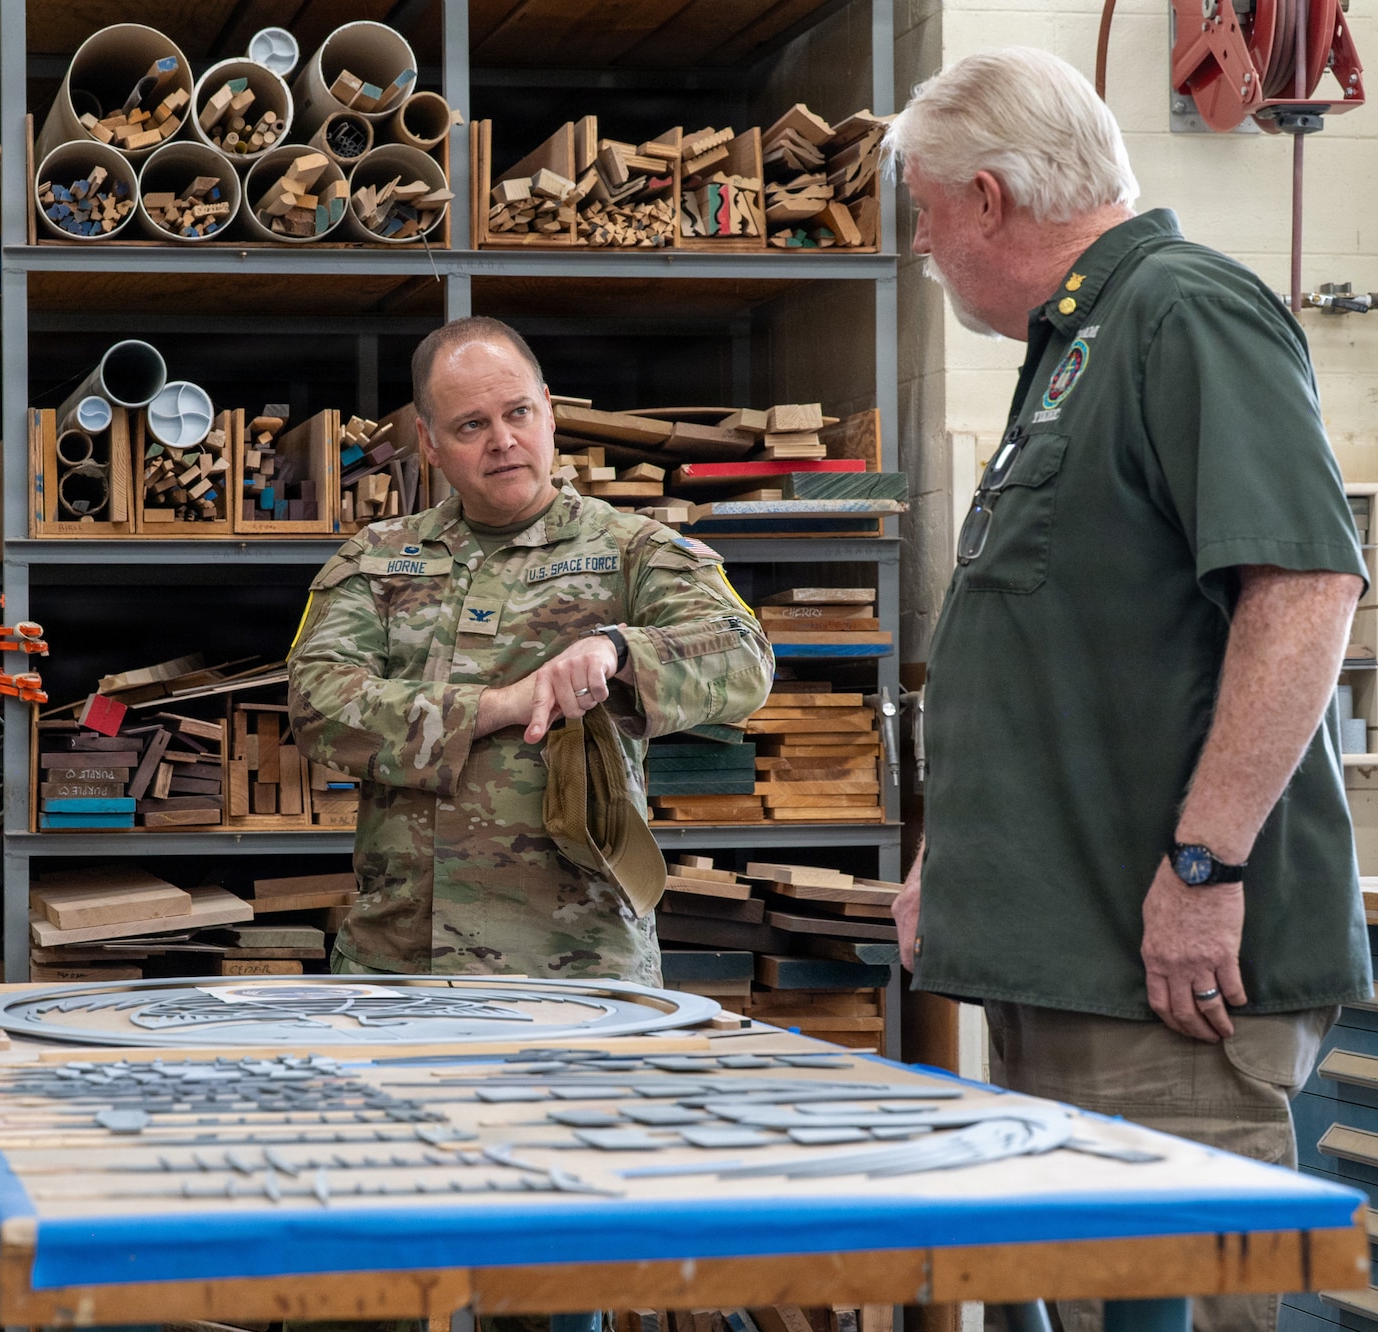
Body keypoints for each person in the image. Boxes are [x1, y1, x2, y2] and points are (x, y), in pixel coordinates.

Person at [885, 48, 1369, 1332]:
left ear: (987, 198)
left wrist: (1205, 870)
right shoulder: (1076, 346)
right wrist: (961, 862)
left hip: (1162, 970)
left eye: (928, 220)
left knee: (1168, 1298)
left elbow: (1304, 588)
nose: (926, 249)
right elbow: (1056, 644)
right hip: (1077, 950)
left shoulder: (1180, 311)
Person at [287, 317, 773, 984]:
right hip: (401, 960)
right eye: (471, 426)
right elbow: (316, 704)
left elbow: (745, 659)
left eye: (518, 412)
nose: (503, 440)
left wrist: (617, 649)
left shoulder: (633, 550)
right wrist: (495, 706)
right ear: (428, 443)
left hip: (584, 959)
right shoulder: (376, 561)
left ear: (548, 408)